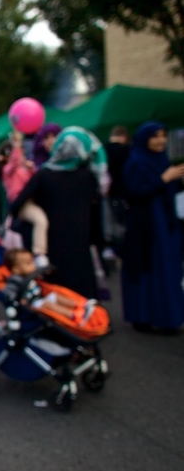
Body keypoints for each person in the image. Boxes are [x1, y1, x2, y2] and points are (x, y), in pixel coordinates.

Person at [11, 127, 106, 299]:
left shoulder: (45, 174)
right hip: (81, 246)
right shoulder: (90, 176)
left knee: (57, 298)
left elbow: (17, 204)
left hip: (53, 246)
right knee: (83, 298)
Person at [120, 122, 184, 334]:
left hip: (165, 223)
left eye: (164, 136)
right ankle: (143, 316)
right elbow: (133, 192)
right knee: (148, 269)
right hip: (145, 227)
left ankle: (167, 317)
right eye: (155, 136)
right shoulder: (136, 162)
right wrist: (163, 179)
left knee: (167, 269)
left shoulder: (162, 160)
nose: (161, 141)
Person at [3, 248, 96, 323]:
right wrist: (19, 300)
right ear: (16, 270)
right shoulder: (14, 281)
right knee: (48, 304)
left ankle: (81, 305)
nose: (33, 266)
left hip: (39, 298)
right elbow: (7, 292)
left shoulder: (29, 275)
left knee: (55, 296)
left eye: (32, 262)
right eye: (28, 264)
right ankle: (73, 315)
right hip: (32, 305)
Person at [2, 130, 50, 263]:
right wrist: (16, 145)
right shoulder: (8, 171)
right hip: (22, 205)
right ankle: (39, 254)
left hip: (33, 202)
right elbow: (15, 161)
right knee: (40, 220)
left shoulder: (27, 169)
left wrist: (32, 169)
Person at [102, 125, 131, 257]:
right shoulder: (127, 151)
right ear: (124, 136)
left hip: (108, 192)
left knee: (111, 221)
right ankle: (123, 249)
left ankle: (112, 247)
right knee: (123, 224)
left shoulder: (103, 151)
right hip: (124, 192)